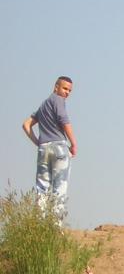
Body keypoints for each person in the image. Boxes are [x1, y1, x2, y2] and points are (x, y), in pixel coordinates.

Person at [22, 76, 78, 222]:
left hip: (43, 148)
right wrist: (73, 144)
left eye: (69, 90)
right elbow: (64, 121)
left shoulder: (43, 105)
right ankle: (55, 225)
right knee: (59, 188)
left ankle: (39, 224)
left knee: (41, 188)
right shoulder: (58, 100)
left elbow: (26, 125)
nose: (67, 93)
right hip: (59, 147)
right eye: (65, 88)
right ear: (56, 87)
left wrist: (37, 142)